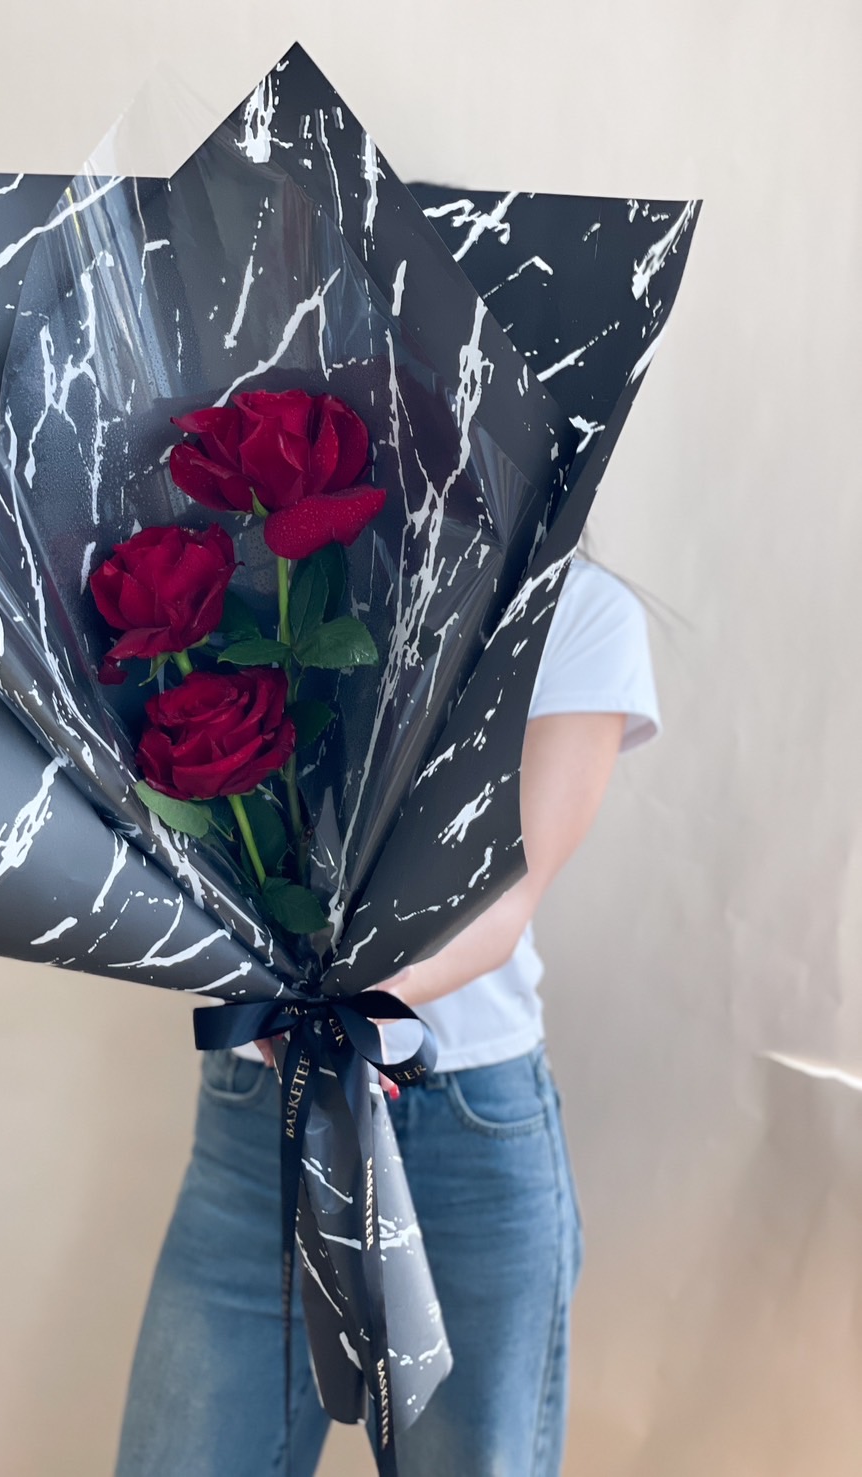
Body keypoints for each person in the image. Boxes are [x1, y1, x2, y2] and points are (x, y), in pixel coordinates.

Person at [112, 553, 661, 1477]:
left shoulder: (581, 614)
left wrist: (331, 1008)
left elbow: (501, 901)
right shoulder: (266, 586)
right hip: (259, 1129)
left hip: (462, 1136)